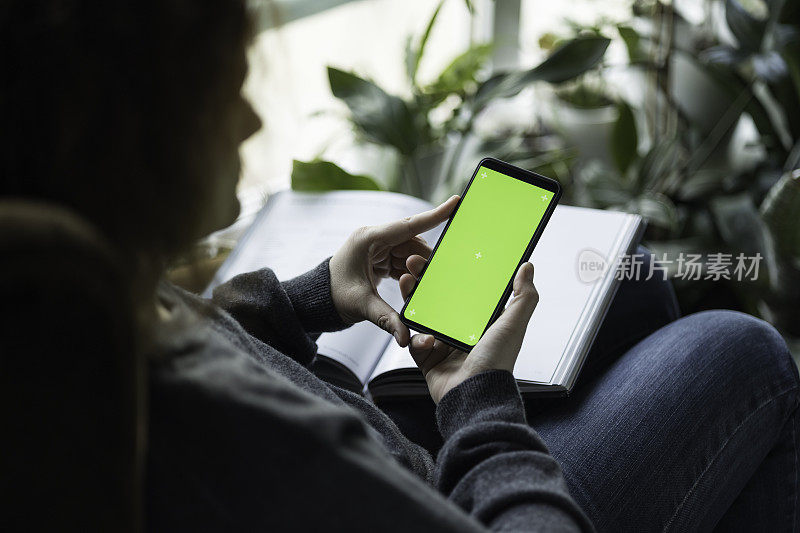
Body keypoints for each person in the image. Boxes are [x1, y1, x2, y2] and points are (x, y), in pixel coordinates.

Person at [3, 1, 798, 531]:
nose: (247, 121)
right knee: (744, 350)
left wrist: (307, 299)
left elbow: (209, 337)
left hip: (397, 440)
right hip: (459, 487)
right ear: (128, 132)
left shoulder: (77, 294)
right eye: (227, 91)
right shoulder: (229, 435)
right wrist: (475, 402)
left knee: (636, 290)